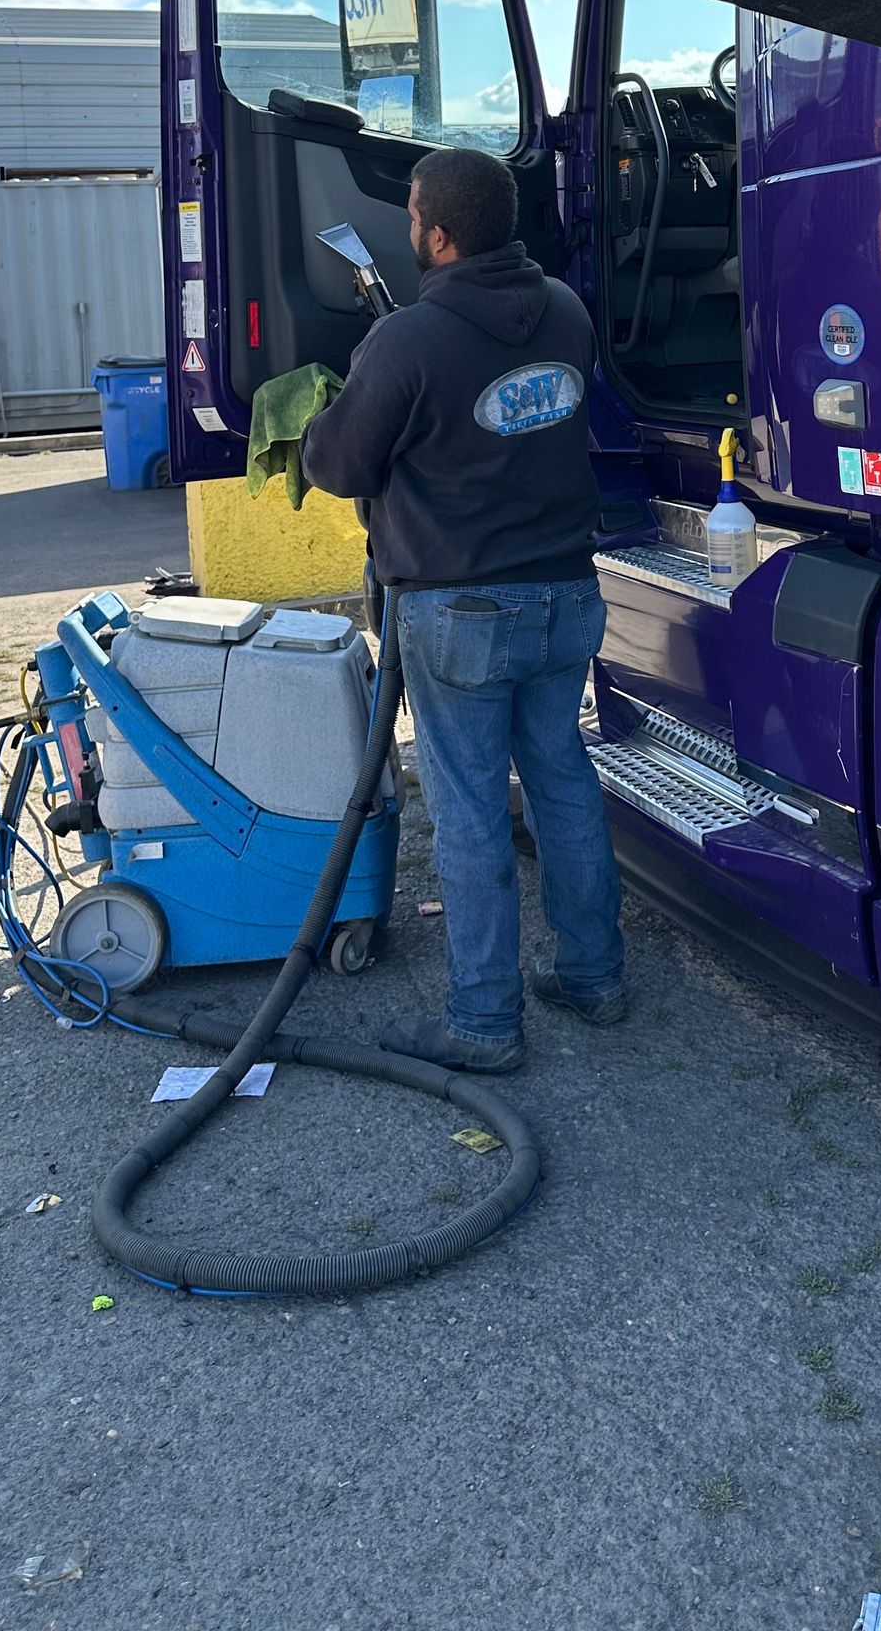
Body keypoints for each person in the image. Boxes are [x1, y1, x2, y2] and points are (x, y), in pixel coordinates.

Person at [301, 145, 625, 1071]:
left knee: (473, 811)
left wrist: (343, 400)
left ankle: (482, 1026)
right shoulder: (564, 310)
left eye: (410, 216)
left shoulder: (405, 340)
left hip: (461, 610)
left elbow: (337, 466)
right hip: (567, 595)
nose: (407, 229)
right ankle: (595, 977)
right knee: (562, 780)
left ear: (437, 234)